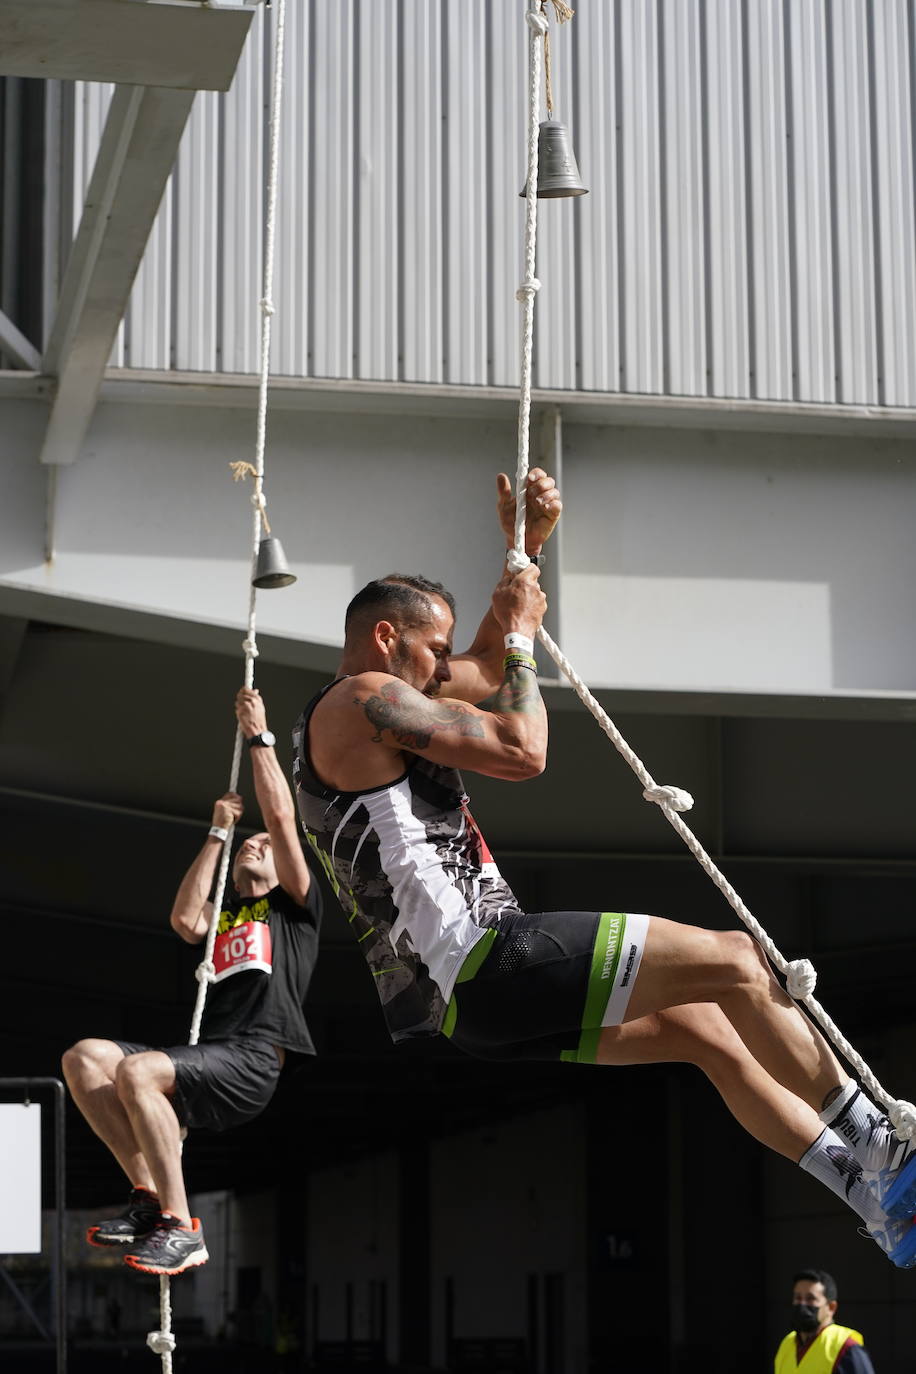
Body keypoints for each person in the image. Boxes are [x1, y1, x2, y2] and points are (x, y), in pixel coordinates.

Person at [292, 467, 916, 1269]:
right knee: (736, 959)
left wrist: (526, 549)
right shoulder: (360, 699)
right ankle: (883, 1150)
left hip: (468, 1011)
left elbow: (483, 663)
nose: (445, 664)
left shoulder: (380, 699)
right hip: (486, 958)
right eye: (431, 649)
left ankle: (870, 1200)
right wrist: (519, 639)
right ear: (386, 638)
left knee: (712, 1034)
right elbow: (523, 749)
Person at [62, 687, 321, 1277]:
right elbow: (184, 919)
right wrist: (217, 834)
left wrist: (259, 737)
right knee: (85, 1058)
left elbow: (281, 817)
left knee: (137, 1070)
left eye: (264, 846)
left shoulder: (295, 913)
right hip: (210, 1054)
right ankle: (150, 1199)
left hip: (253, 1062)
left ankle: (181, 1228)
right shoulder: (224, 918)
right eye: (249, 844)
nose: (256, 843)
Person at [775, 1269, 875, 1372]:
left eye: (810, 1298)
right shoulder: (787, 1344)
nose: (802, 1304)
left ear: (831, 1307)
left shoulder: (845, 1347)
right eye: (798, 1297)